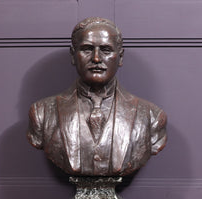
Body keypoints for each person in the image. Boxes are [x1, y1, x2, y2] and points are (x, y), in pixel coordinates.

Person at [27, 17, 167, 177]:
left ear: (120, 57)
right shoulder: (42, 113)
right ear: (73, 55)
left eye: (106, 50)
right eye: (87, 49)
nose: (96, 58)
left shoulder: (152, 116)